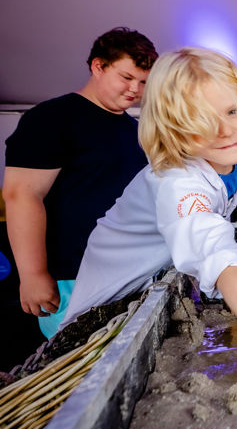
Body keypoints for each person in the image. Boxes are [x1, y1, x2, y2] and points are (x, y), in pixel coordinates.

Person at [61, 48, 237, 390]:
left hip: (148, 282)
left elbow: (218, 179)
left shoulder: (226, 161)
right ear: (172, 130)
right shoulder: (176, 182)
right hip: (105, 311)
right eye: (199, 121)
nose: (224, 130)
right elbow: (212, 248)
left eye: (233, 111)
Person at [3, 27, 158, 338]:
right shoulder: (51, 118)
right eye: (126, 77)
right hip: (70, 276)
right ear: (98, 66)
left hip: (126, 275)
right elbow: (22, 195)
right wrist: (33, 275)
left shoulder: (135, 130)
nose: (135, 89)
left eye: (143, 82)